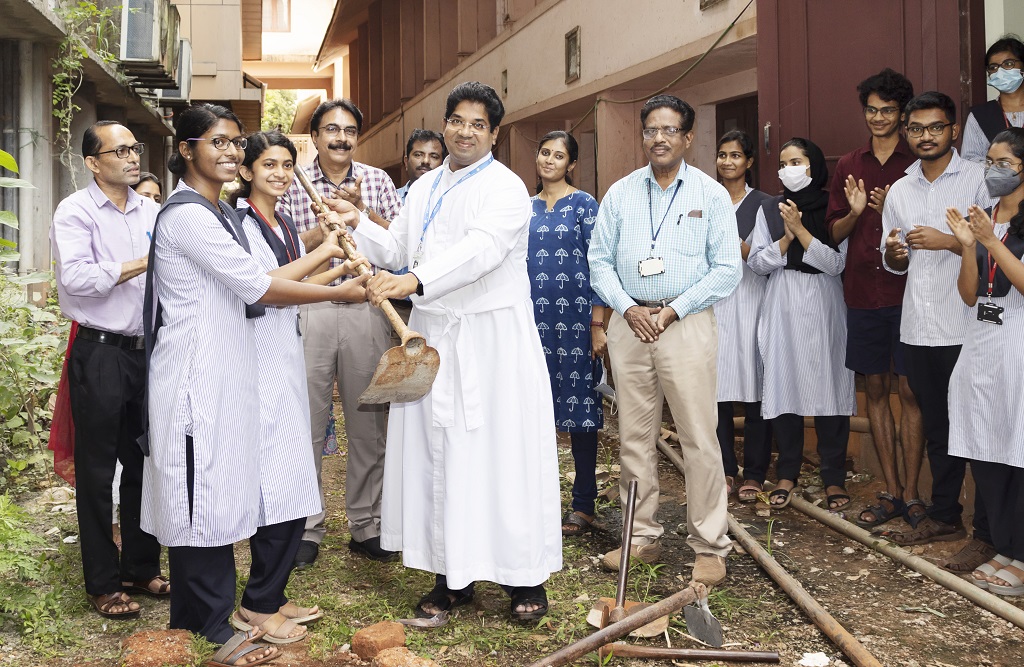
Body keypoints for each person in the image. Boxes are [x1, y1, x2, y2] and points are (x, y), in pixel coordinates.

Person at [140, 104, 368, 662]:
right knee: (199, 501)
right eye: (216, 142)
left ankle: (211, 616)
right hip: (194, 379)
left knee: (214, 498)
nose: (229, 151)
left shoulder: (217, 212)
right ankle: (208, 625)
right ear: (186, 149)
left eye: (235, 142)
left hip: (224, 376)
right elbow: (259, 289)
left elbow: (262, 279)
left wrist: (332, 266)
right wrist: (338, 290)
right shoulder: (188, 216)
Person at [335, 81, 562, 622]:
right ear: (445, 125)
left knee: (502, 455)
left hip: (493, 342)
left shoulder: (506, 188)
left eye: (478, 124)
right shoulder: (425, 185)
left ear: (494, 134)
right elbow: (398, 246)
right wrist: (356, 224)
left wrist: (414, 281)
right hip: (435, 334)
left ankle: (523, 579)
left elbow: (481, 250)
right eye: (457, 120)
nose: (465, 132)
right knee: (438, 455)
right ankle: (450, 578)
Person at [589, 94, 740, 587]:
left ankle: (710, 545)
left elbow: (727, 269)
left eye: (670, 130)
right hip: (629, 323)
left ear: (687, 137)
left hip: (685, 322)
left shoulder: (711, 195)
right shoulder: (620, 194)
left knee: (699, 437)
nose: (659, 138)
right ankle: (640, 537)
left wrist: (674, 310)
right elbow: (599, 262)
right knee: (634, 437)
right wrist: (627, 308)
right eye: (651, 129)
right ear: (643, 135)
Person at [226, 130, 364, 641]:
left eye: (287, 165)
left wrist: (343, 272)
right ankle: (257, 605)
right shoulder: (240, 223)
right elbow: (265, 287)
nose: (281, 174)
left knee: (292, 484)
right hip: (259, 364)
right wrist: (329, 257)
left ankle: (272, 594)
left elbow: (295, 285)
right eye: (269, 165)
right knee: (276, 484)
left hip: (286, 356)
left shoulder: (281, 220)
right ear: (246, 172)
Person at [277, 99, 403, 568]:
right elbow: (283, 250)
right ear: (314, 136)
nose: (341, 138)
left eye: (349, 130)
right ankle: (306, 526)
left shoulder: (378, 180)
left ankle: (367, 524)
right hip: (309, 304)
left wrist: (361, 214)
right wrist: (322, 231)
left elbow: (401, 243)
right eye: (331, 129)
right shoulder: (291, 180)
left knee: (369, 422)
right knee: (306, 421)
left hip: (367, 307)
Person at [50, 120, 167, 619]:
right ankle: (102, 581)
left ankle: (140, 567)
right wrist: (144, 262)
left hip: (148, 351)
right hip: (99, 352)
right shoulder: (75, 211)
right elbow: (77, 279)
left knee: (144, 463)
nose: (131, 157)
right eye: (118, 151)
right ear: (93, 163)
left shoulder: (154, 211)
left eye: (133, 148)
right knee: (98, 471)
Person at [879, 92, 995, 566]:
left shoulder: (979, 179)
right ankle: (946, 514)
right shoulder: (900, 189)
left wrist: (950, 241)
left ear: (953, 130)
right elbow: (891, 262)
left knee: (979, 429)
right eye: (916, 128)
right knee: (939, 429)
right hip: (919, 327)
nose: (925, 136)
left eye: (935, 127)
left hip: (968, 327)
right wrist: (895, 255)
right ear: (906, 132)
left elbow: (998, 248)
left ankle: (989, 533)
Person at [825, 69, 925, 529]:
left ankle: (914, 492)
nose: (879, 117)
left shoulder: (917, 160)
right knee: (878, 390)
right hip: (863, 292)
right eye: (872, 109)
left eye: (888, 110)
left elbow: (929, 223)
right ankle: (891, 491)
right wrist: (857, 212)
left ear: (902, 114)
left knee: (911, 390)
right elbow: (834, 232)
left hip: (912, 294)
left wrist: (892, 211)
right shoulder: (849, 163)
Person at [748, 138, 855, 511]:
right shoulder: (768, 208)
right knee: (785, 382)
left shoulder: (834, 207)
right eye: (783, 163)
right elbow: (757, 263)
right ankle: (787, 473)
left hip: (825, 302)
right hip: (783, 301)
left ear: (814, 165)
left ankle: (833, 477)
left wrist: (803, 231)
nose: (788, 169)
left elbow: (836, 264)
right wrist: (786, 238)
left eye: (796, 161)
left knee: (830, 385)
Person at [946, 127, 1024, 595]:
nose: (993, 170)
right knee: (987, 444)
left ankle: (1021, 555)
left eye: (1003, 163)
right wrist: (965, 245)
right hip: (981, 339)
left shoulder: (1001, 226)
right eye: (989, 162)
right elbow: (969, 294)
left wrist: (990, 242)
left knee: (1018, 447)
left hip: (1017, 341)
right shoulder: (986, 216)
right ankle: (1004, 545)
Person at [528, 130, 607, 536]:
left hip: (577, 324)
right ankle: (538, 502)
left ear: (571, 164)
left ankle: (583, 504)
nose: (549, 160)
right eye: (544, 152)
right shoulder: (525, 209)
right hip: (531, 324)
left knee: (580, 416)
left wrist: (597, 325)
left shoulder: (584, 205)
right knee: (533, 412)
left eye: (558, 156)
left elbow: (600, 265)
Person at [712, 130, 773, 503]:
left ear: (749, 161)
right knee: (715, 391)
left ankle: (754, 473)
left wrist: (741, 247)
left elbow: (771, 261)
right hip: (713, 306)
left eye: (735, 155)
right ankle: (723, 469)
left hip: (751, 303)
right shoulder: (706, 200)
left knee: (755, 390)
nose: (727, 162)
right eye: (722, 155)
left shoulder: (765, 205)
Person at [961, 35, 1024, 163]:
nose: (1000, 71)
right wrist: (1001, 168)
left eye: (1008, 64)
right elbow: (970, 161)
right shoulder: (979, 116)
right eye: (993, 67)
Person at [396, 129, 445, 203]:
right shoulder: (392, 199)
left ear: (443, 164)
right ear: (406, 162)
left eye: (434, 156)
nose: (426, 161)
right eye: (418, 155)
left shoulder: (449, 200)